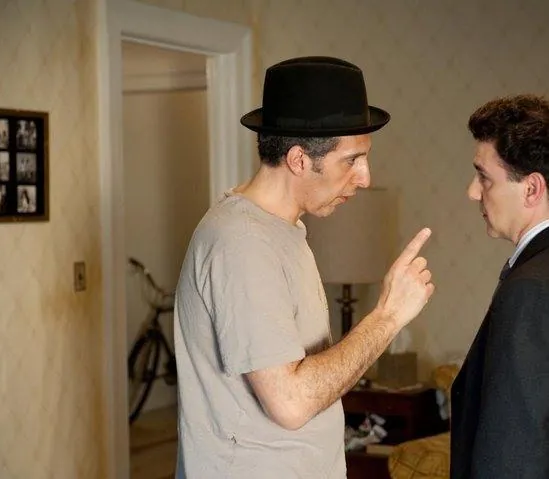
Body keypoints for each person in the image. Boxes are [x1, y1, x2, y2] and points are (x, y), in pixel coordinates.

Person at [173, 56, 434, 478]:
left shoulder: (280, 229)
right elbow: (290, 403)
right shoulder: (243, 243)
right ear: (298, 160)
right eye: (351, 160)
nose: (365, 178)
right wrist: (387, 317)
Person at [450, 94, 549, 479]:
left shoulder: (530, 290)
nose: (472, 192)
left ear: (532, 189)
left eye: (484, 177)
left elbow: (514, 449)